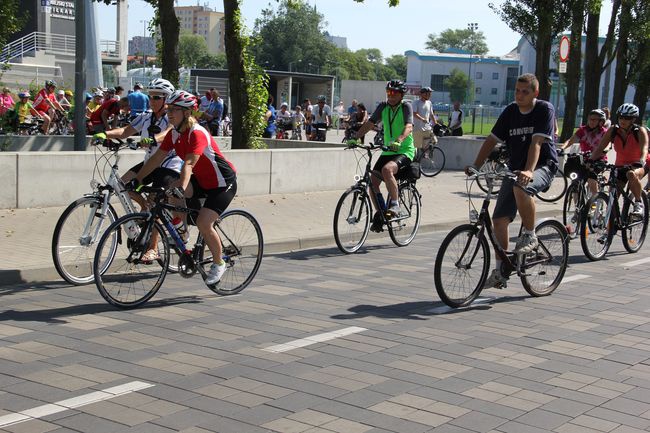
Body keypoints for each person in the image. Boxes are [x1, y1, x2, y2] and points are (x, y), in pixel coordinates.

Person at [129, 90, 237, 285]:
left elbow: (188, 164)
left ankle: (218, 263)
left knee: (204, 223)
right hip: (202, 181)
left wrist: (181, 186)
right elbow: (156, 159)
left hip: (222, 183)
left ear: (187, 113)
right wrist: (139, 179)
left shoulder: (197, 133)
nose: (169, 113)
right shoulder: (175, 133)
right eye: (169, 109)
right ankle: (183, 231)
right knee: (170, 189)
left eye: (175, 110)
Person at [466, 73, 558, 289]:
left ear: (535, 93)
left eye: (525, 91)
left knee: (521, 188)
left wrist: (528, 170)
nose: (520, 95)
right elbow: (491, 140)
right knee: (498, 220)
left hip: (543, 166)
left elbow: (536, 144)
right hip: (515, 168)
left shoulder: (544, 109)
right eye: (517, 90)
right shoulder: (510, 111)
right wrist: (475, 166)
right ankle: (501, 270)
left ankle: (530, 234)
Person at [354, 80, 415, 232]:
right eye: (389, 92)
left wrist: (399, 140)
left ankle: (395, 204)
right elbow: (370, 123)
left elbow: (409, 126)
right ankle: (381, 213)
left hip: (404, 150)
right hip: (388, 151)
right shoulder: (383, 106)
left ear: (401, 95)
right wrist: (356, 137)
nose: (391, 95)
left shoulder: (405, 106)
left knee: (387, 170)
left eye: (394, 93)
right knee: (373, 183)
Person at [590, 103, 649, 217]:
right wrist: (591, 160)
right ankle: (611, 226)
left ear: (633, 119)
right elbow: (600, 147)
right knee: (613, 197)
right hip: (620, 166)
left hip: (638, 165)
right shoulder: (613, 130)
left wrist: (641, 161)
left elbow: (644, 149)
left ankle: (638, 203)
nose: (623, 120)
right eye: (621, 117)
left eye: (627, 118)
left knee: (631, 174)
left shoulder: (640, 131)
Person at [560, 108, 608, 196]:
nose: (591, 121)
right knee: (576, 181)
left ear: (601, 122)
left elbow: (608, 145)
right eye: (590, 119)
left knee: (591, 179)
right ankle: (578, 208)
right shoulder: (583, 130)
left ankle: (594, 201)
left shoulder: (604, 133)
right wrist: (562, 148)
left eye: (594, 120)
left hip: (598, 160)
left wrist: (604, 151)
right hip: (584, 159)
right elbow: (571, 140)